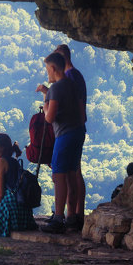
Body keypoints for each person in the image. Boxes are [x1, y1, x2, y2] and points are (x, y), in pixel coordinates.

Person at [36, 52, 85, 233]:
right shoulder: (74, 85)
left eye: (47, 68)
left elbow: (49, 118)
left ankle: (58, 218)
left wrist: (46, 100)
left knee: (59, 176)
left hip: (64, 134)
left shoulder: (55, 88)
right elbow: (82, 114)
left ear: (53, 68)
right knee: (72, 174)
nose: (47, 72)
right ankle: (72, 217)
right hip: (78, 132)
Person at [55, 43, 87, 228]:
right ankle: (75, 214)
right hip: (77, 127)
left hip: (71, 128)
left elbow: (76, 101)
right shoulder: (75, 74)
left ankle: (73, 214)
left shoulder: (70, 75)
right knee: (74, 172)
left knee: (71, 173)